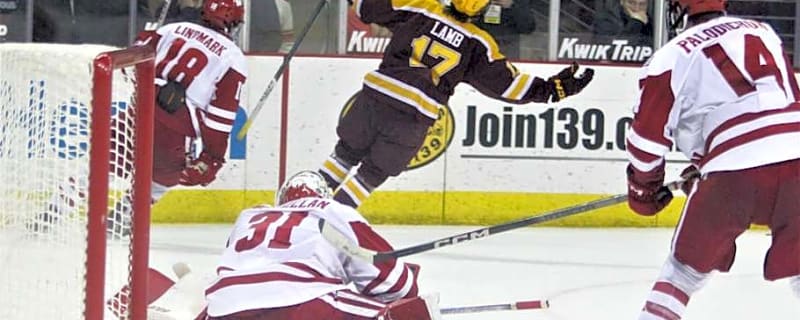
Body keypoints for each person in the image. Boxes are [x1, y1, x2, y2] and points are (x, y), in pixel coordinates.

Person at [319, 0, 594, 208]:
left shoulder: (421, 7)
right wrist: (553, 89)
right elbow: (509, 87)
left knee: (343, 155)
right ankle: (331, 221)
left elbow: (366, 9)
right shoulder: (478, 43)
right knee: (371, 175)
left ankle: (298, 211)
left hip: (375, 100)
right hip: (413, 119)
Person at [624, 0, 800, 318]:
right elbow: (774, 112)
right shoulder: (764, 32)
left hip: (734, 174)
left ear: (679, 10)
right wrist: (708, 162)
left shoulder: (671, 55)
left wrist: (643, 192)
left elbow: (646, 142)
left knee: (681, 275)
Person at [31, 0, 247, 235]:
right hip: (175, 131)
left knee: (102, 167)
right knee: (166, 177)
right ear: (234, 23)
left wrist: (150, 90)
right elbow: (220, 116)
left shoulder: (171, 29)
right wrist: (212, 156)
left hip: (136, 114)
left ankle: (52, 214)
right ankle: (122, 219)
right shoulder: (232, 56)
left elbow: (128, 62)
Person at [202, 171, 440, 320]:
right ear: (323, 196)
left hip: (225, 307)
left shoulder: (248, 217)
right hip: (302, 302)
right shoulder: (331, 210)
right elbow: (398, 285)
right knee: (409, 315)